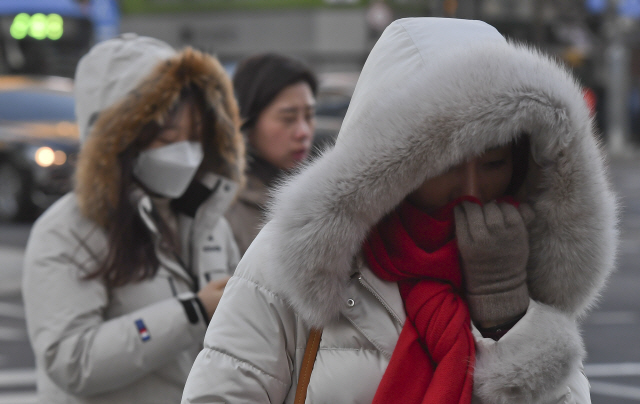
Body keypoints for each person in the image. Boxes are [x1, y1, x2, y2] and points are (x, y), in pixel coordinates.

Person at [181, 18, 618, 404]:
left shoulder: (522, 256)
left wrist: (508, 317)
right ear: (393, 162)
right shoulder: (294, 255)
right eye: (445, 167)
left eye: (494, 164)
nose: (471, 190)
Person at [22, 34, 245, 404]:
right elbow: (71, 361)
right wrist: (192, 311)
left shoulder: (207, 220)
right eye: (166, 137)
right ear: (119, 140)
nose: (185, 152)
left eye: (195, 137)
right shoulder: (66, 230)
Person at [225, 53, 317, 255]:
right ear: (248, 122)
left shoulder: (320, 195)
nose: (303, 132)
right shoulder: (223, 207)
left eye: (309, 116)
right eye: (288, 118)